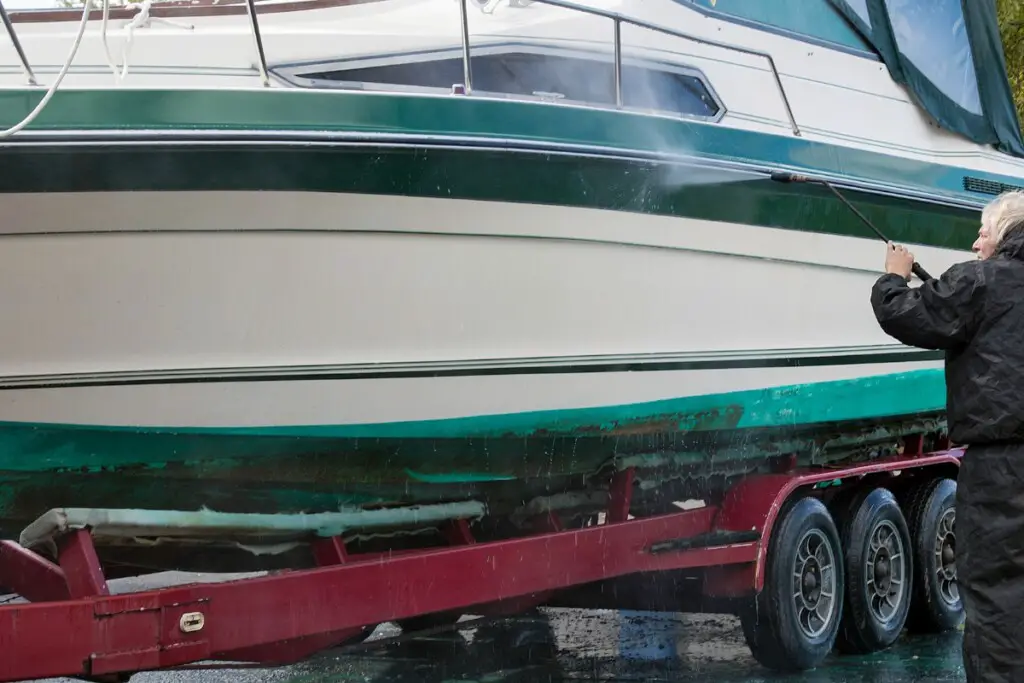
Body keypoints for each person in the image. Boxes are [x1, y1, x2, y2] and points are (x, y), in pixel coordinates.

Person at [870, 189, 1024, 683]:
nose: (976, 240)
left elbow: (905, 314)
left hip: (999, 471)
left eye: (983, 230)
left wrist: (893, 275)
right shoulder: (981, 287)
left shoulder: (980, 281)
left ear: (1004, 235)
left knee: (996, 593)